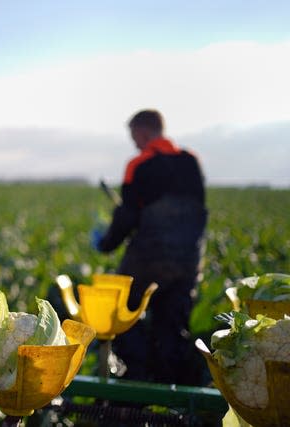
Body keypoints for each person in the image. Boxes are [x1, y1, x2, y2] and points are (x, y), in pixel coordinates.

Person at [92, 109, 207, 385]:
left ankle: (133, 383)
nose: (133, 142)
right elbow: (198, 210)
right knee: (172, 327)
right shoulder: (191, 161)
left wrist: (106, 244)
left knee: (126, 318)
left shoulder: (139, 164)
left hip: (147, 261)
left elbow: (127, 217)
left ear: (143, 131)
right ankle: (172, 392)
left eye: (133, 135)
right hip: (187, 262)